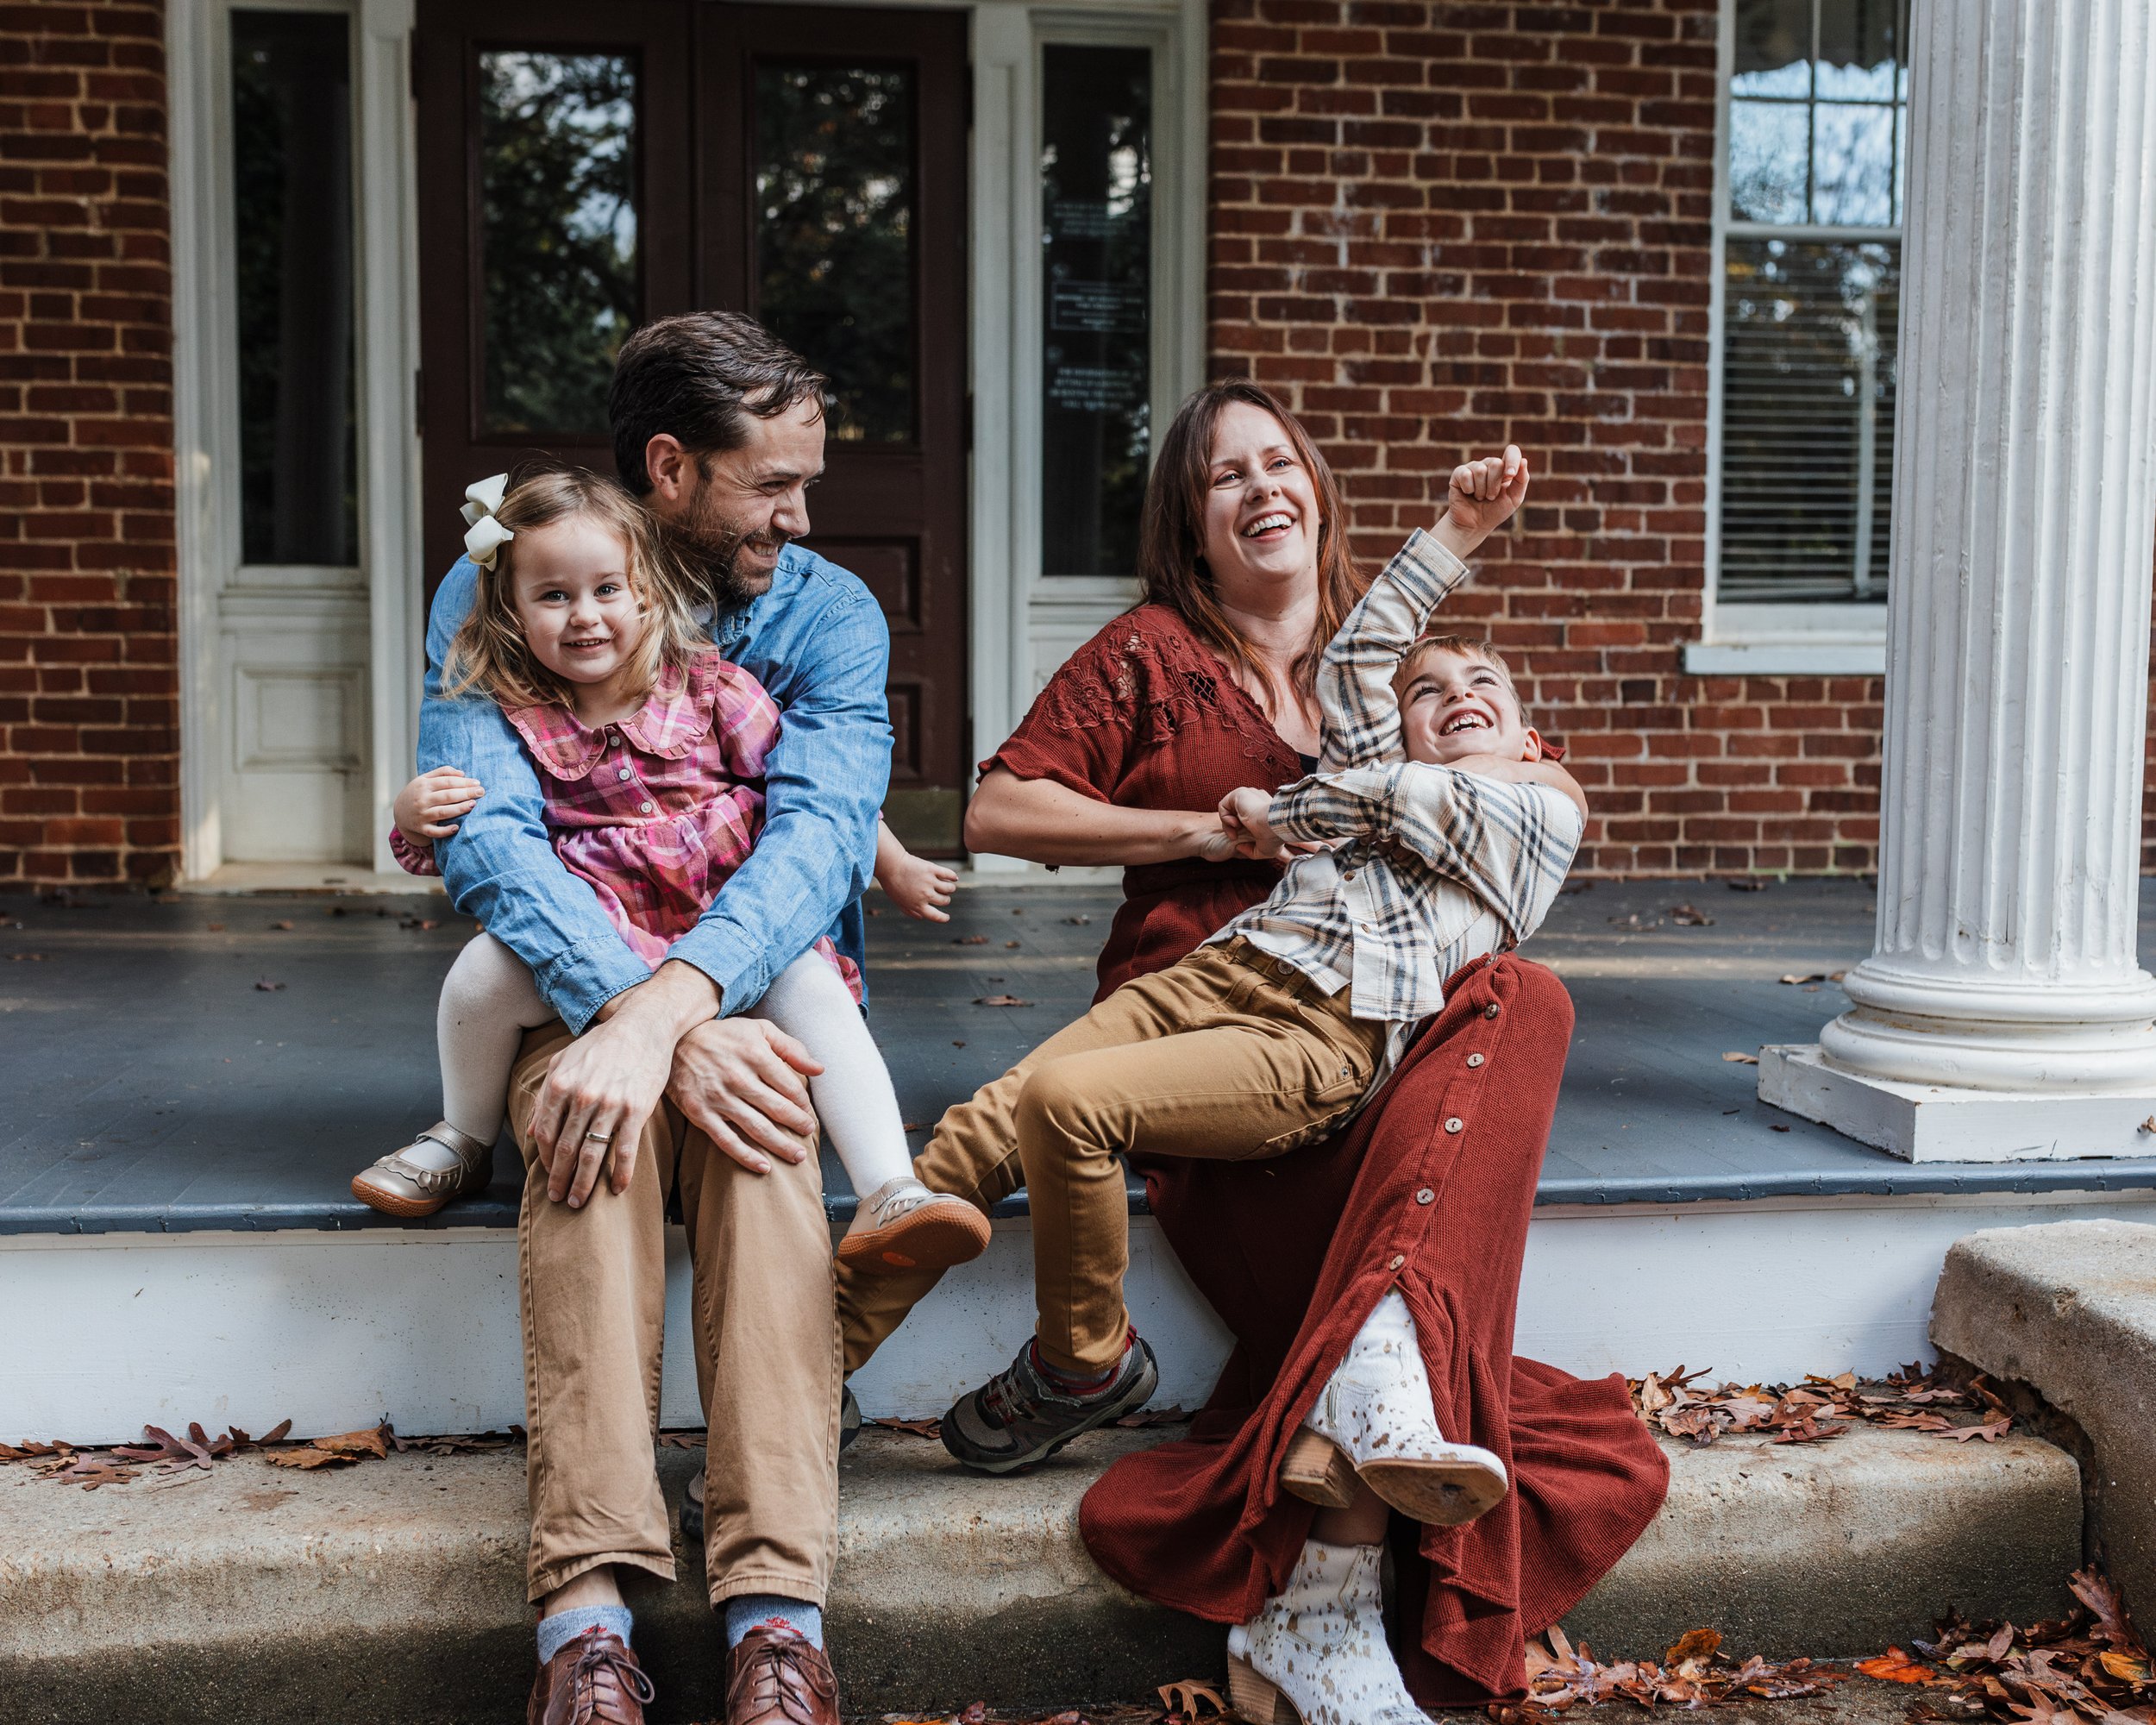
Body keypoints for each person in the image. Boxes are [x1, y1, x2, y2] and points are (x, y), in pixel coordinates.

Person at [835, 380, 1667, 1714]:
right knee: (1002, 1119)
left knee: (1524, 992)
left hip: (1353, 1036)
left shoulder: (1389, 670)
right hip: (1200, 1004)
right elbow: (995, 808)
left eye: (1282, 462)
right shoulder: (1153, 652)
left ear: (1321, 493)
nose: (1262, 488)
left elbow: (1543, 785)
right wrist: (1208, 835)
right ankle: (823, 1375)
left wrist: (1429, 766)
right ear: (1192, 522)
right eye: (1227, 477)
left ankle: (1326, 1525)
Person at [419, 313, 885, 1725]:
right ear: (671, 469)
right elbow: (491, 844)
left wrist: (683, 1007)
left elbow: (816, 840)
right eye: (774, 484)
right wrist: (637, 1011)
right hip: (577, 984)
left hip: (761, 988)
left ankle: (776, 1621)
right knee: (584, 1124)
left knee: (759, 1145)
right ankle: (586, 1617)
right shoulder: (501, 580)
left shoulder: (828, 616)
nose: (801, 517)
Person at [354, 463, 990, 1283]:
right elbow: (458, 841)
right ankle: (462, 1136)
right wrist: (409, 815)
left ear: (648, 597)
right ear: (513, 612)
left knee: (813, 986)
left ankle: (889, 1189)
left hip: (720, 930)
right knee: (480, 973)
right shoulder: (516, 717)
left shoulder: (716, 691)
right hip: (603, 934)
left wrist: (893, 862)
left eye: (605, 590)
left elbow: (821, 800)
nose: (583, 616)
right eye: (553, 597)